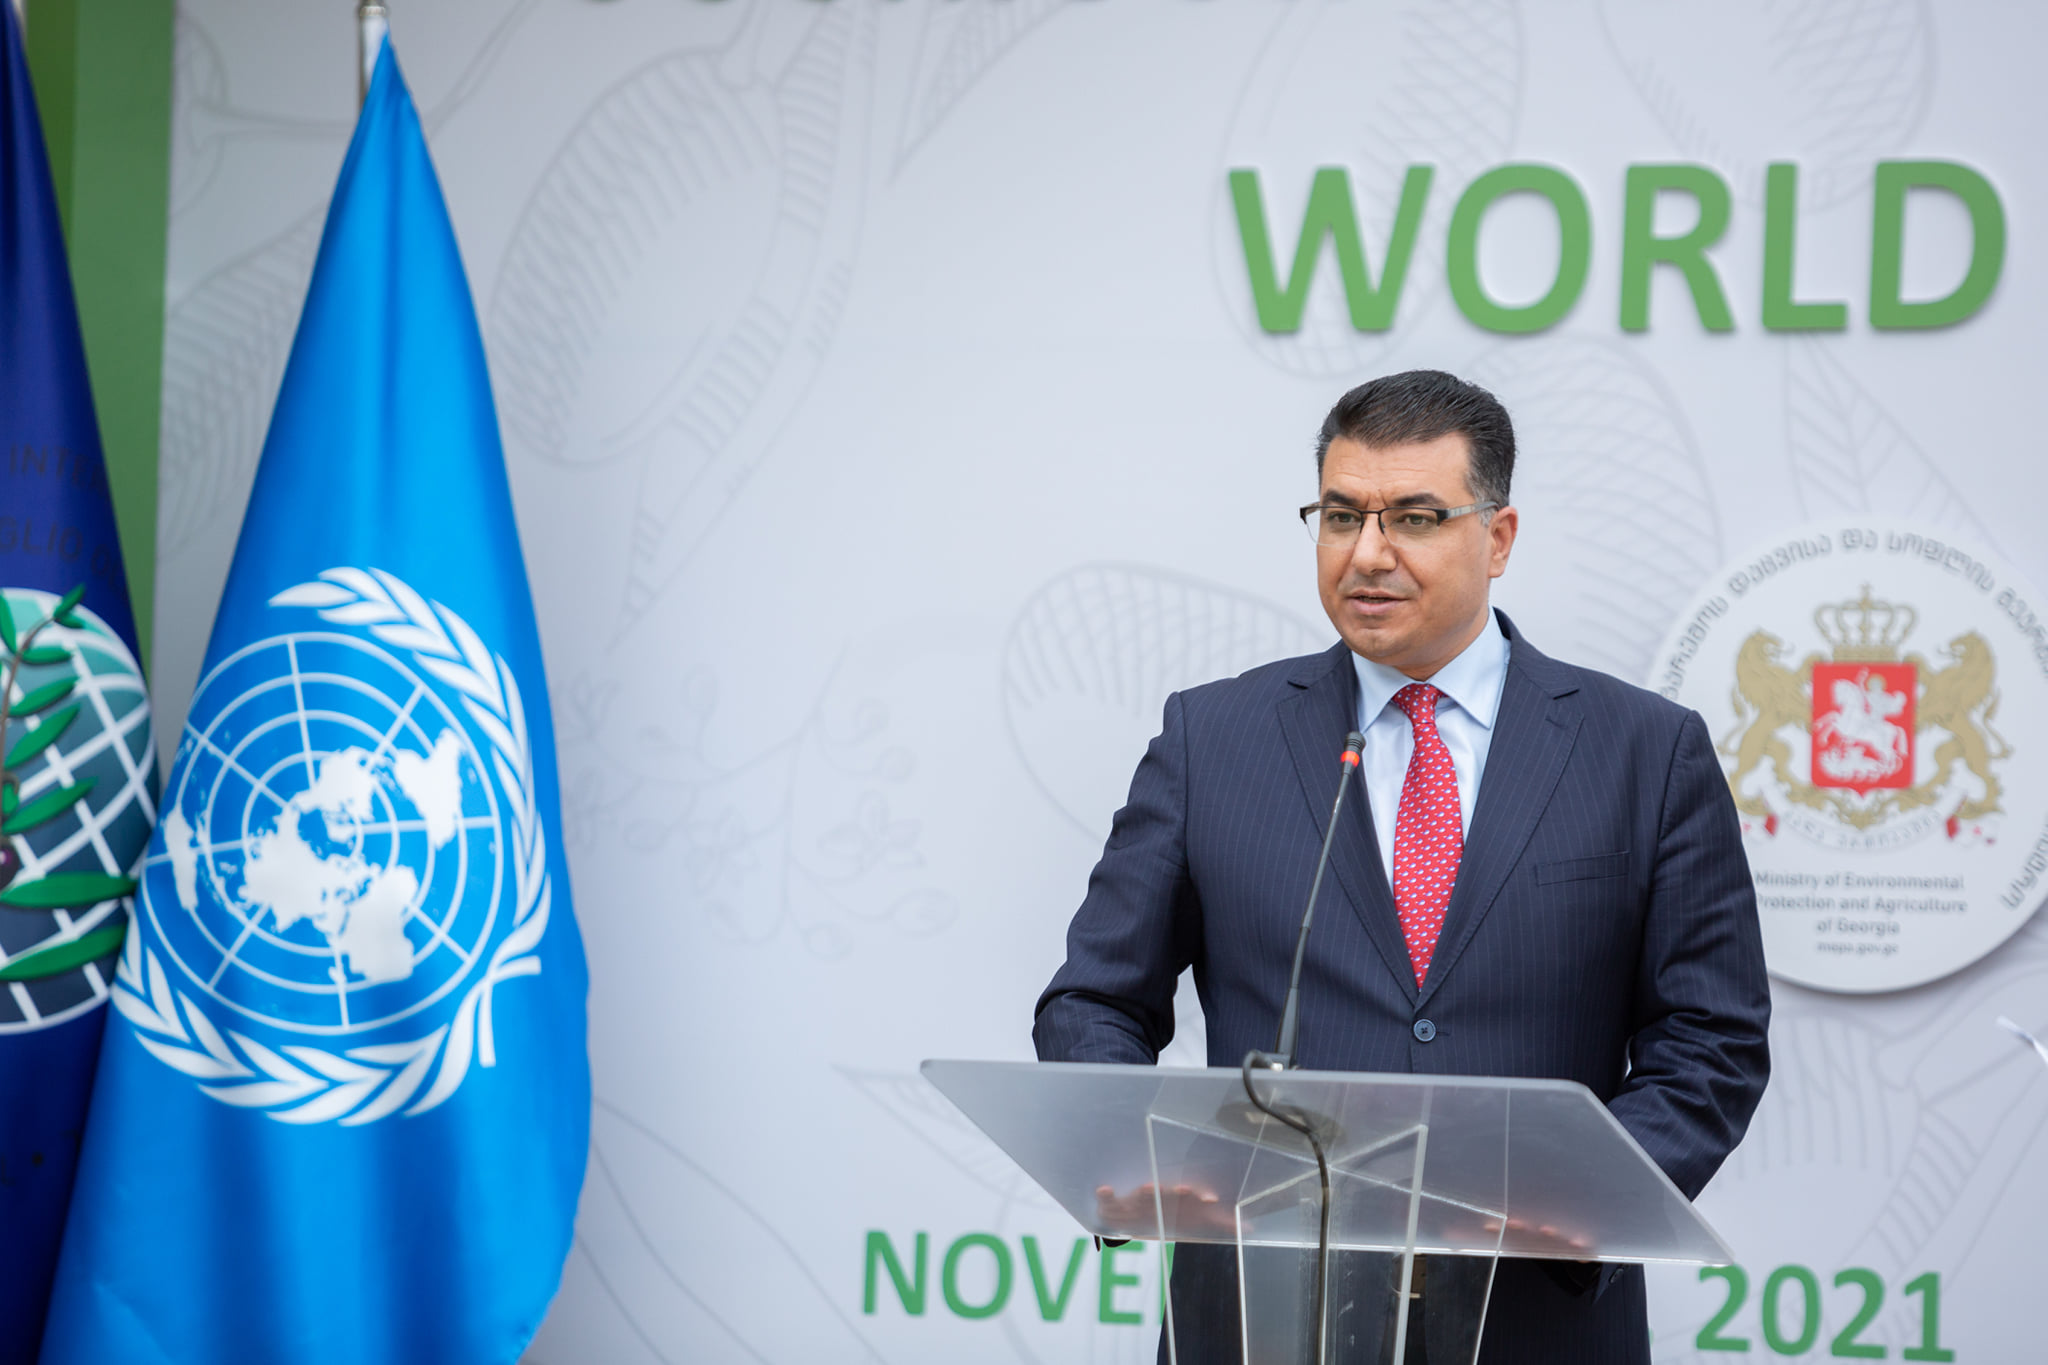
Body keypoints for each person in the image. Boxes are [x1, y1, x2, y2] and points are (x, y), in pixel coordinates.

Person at [1032, 370, 1771, 1365]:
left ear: (1498, 537)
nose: (1367, 553)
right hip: (1259, 1312)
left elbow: (1711, 1039)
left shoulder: (1643, 752)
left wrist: (1576, 1203)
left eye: (1414, 518)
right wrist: (1142, 1154)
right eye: (1341, 516)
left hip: (1535, 1318)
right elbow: (1093, 999)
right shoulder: (1213, 739)